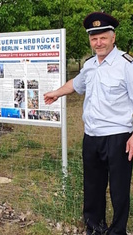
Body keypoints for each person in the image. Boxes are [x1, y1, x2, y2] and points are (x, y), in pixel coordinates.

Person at [44, 12, 133, 235]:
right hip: (92, 135)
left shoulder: (127, 65)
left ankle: (117, 231)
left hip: (119, 135)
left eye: (103, 37)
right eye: (94, 39)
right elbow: (76, 83)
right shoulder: (90, 64)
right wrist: (56, 93)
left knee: (119, 189)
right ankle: (94, 227)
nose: (98, 43)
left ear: (113, 38)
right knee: (92, 186)